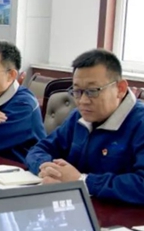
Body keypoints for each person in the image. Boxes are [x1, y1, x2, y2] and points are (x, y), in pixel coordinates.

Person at [25, 49, 144, 204]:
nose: (83, 101)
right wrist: (45, 167)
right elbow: (39, 150)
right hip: (79, 206)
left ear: (120, 89)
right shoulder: (79, 117)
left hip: (123, 215)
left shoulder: (139, 123)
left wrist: (82, 181)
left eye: (92, 91)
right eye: (77, 91)